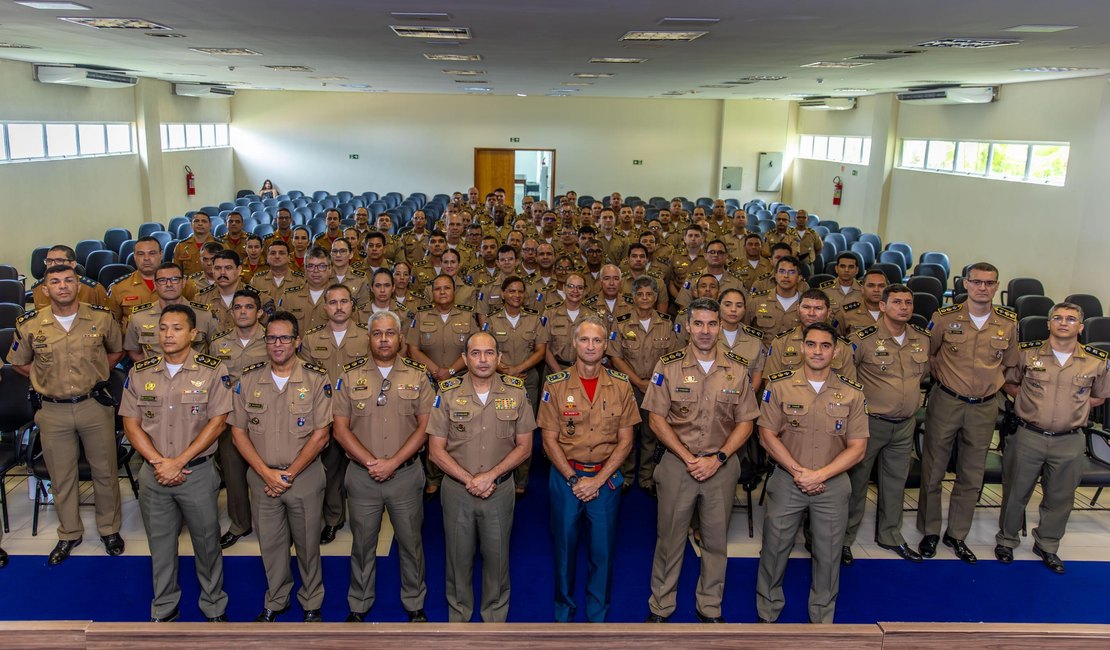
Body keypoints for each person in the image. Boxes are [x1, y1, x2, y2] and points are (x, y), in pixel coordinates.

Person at [642, 298, 758, 624]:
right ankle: (661, 606)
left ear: (720, 326)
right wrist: (688, 457)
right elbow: (656, 419)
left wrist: (718, 458)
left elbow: (746, 422)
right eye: (699, 324)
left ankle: (710, 607)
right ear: (688, 326)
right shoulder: (668, 365)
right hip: (678, 466)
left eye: (711, 324)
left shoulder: (737, 368)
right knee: (669, 539)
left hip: (720, 466)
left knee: (716, 541)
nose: (705, 331)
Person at [120, 304, 231, 623]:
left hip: (196, 473)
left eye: (177, 328)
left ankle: (213, 605)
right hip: (154, 474)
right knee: (160, 545)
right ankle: (165, 606)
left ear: (193, 334)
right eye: (164, 328)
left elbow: (218, 422)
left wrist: (179, 461)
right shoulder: (140, 372)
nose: (168, 334)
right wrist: (158, 462)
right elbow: (131, 423)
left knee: (207, 544)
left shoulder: (212, 370)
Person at [9, 265, 125, 565]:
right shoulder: (30, 324)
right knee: (62, 476)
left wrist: (97, 372)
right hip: (52, 410)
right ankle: (69, 533)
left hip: (93, 405)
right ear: (45, 289)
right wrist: (44, 378)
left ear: (78, 285)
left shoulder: (101, 318)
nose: (63, 286)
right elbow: (19, 362)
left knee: (105, 471)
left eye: (69, 281)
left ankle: (109, 529)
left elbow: (116, 352)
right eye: (55, 282)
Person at [756, 322, 868, 624]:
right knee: (775, 549)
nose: (817, 351)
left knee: (829, 554)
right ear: (802, 347)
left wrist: (820, 475)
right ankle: (767, 612)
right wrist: (799, 472)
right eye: (811, 344)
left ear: (836, 350)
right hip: (787, 481)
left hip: (832, 485)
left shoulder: (852, 393)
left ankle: (821, 619)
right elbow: (767, 435)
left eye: (825, 345)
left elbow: (857, 448)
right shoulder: (778, 386)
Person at [229, 311, 333, 622]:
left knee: (307, 545)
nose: (277, 344)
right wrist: (265, 473)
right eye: (271, 338)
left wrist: (288, 474)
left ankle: (312, 600)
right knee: (271, 546)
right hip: (262, 478)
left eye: (284, 337)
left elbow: (321, 435)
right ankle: (276, 599)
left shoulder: (316, 379)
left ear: (297, 341)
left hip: (304, 476)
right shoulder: (248, 380)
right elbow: (237, 432)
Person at [427, 332, 536, 622]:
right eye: (475, 353)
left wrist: (490, 477)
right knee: (457, 559)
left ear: (499, 358)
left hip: (499, 491)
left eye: (489, 353)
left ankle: (494, 620)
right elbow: (435, 451)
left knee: (497, 558)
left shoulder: (516, 392)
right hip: (457, 491)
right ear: (464, 359)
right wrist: (469, 479)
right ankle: (459, 618)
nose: (483, 359)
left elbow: (525, 447)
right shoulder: (447, 392)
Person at [994, 303, 1110, 574]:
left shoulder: (1097, 359)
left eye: (1071, 319)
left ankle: (1047, 544)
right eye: (1057, 317)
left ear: (1080, 327)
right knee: (1015, 492)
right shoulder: (1027, 353)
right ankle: (1007, 540)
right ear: (1048, 324)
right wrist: (1032, 403)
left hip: (1069, 439)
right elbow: (1009, 382)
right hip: (1028, 435)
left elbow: (1100, 395)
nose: (1063, 322)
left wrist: (1073, 408)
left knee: (1060, 497)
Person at [332, 310, 432, 622]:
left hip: (405, 475)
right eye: (377, 333)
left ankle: (414, 603)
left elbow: (425, 427)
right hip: (363, 477)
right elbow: (340, 429)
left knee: (411, 543)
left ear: (401, 338)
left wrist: (393, 463)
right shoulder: (350, 377)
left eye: (390, 333)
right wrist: (370, 462)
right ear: (369, 338)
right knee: (362, 544)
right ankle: (359, 604)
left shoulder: (417, 376)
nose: (384, 339)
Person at [917, 262, 1018, 563]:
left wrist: (988, 385)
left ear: (996, 286)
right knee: (933, 469)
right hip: (947, 401)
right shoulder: (944, 318)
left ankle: (957, 534)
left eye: (989, 283)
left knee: (972, 474)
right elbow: (930, 355)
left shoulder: (1008, 323)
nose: (983, 288)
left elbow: (1010, 363)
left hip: (985, 406)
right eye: (977, 282)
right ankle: (931, 531)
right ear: (965, 284)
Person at [539, 316, 637, 622]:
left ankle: (597, 615)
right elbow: (548, 440)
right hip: (566, 476)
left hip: (604, 480)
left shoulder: (621, 386)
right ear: (573, 344)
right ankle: (563, 612)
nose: (590, 346)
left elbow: (626, 441)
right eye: (584, 340)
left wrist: (597, 481)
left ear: (606, 345)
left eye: (597, 340)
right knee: (564, 548)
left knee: (602, 551)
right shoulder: (554, 385)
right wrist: (573, 478)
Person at [844, 284, 929, 563]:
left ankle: (890, 535)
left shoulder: (920, 339)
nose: (904, 307)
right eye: (896, 302)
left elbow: (921, 377)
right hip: (869, 423)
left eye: (908, 302)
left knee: (895, 483)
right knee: (856, 483)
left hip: (904, 424)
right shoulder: (863, 339)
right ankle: (844, 538)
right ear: (882, 306)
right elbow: (846, 379)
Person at [298, 284, 369, 544]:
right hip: (326, 415)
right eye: (333, 302)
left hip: (361, 416)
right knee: (329, 470)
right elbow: (306, 380)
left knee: (362, 470)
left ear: (352, 305)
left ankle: (364, 518)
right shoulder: (311, 339)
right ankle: (333, 519)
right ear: (325, 307)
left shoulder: (366, 336)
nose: (339, 307)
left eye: (344, 301)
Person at [406, 274, 480, 498]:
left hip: (461, 382)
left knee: (462, 427)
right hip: (430, 383)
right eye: (437, 288)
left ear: (454, 291)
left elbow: (473, 348)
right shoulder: (421, 316)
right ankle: (433, 477)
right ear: (432, 292)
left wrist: (450, 371)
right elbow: (413, 348)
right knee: (433, 430)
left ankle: (461, 470)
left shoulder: (467, 316)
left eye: (447, 288)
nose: (442, 292)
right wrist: (435, 370)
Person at [607, 276, 680, 493]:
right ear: (633, 297)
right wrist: (637, 381)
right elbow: (615, 357)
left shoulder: (666, 324)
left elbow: (672, 358)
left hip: (656, 388)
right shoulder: (621, 323)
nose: (645, 298)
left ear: (656, 297)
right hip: (628, 386)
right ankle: (627, 475)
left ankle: (647, 477)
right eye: (640, 294)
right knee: (626, 433)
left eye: (649, 294)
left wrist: (652, 383)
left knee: (651, 434)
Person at [210, 290, 269, 549]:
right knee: (234, 476)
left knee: (264, 472)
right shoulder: (218, 343)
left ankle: (269, 523)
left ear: (259, 313)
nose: (243, 311)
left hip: (265, 418)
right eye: (237, 307)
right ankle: (239, 524)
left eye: (248, 307)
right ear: (231, 312)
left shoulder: (272, 340)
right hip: (231, 419)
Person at [484, 275, 548, 494]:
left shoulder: (534, 319)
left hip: (527, 380)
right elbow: (488, 350)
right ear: (503, 294)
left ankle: (521, 480)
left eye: (520, 291)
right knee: (501, 428)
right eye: (511, 291)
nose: (516, 295)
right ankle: (500, 472)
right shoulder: (492, 320)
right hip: (499, 381)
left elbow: (541, 351)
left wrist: (518, 369)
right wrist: (505, 370)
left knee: (524, 430)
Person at [124, 263, 220, 361]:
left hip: (197, 374)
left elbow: (218, 348)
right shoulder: (139, 316)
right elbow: (133, 351)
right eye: (162, 280)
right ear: (155, 284)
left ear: (183, 282)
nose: (169, 284)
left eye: (174, 279)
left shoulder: (204, 315)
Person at [763, 289, 856, 380]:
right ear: (798, 309)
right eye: (806, 307)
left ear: (828, 313)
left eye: (818, 308)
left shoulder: (843, 346)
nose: (811, 313)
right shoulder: (781, 342)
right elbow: (771, 382)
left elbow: (849, 387)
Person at [31, 245, 109, 312]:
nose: (52, 265)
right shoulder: (38, 288)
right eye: (49, 261)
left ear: (73, 264)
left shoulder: (93, 289)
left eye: (59, 261)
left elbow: (106, 319)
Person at [542, 272, 589, 373]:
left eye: (579, 287)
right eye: (571, 286)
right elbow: (544, 347)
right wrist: (559, 373)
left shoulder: (592, 316)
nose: (575, 291)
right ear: (563, 288)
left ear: (585, 291)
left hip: (584, 370)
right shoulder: (550, 313)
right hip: (554, 369)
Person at [174, 212, 220, 276]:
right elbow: (176, 272)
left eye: (204, 221)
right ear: (191, 225)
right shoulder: (180, 246)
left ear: (210, 225)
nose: (200, 224)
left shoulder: (221, 245)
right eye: (196, 221)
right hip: (188, 285)